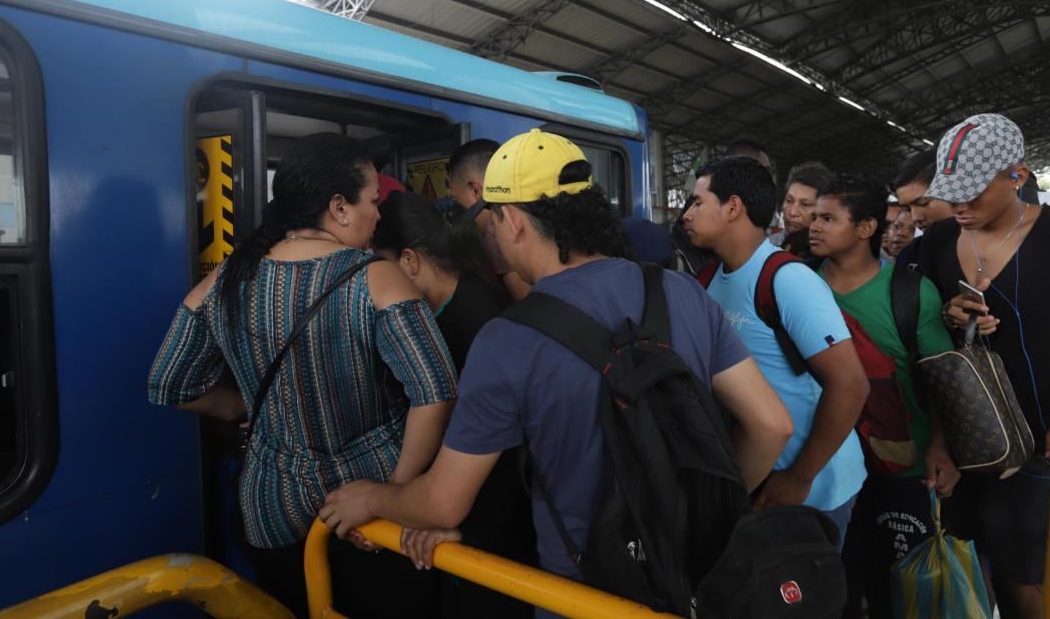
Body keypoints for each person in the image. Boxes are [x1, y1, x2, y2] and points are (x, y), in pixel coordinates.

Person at [319, 130, 793, 615]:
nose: (493, 238)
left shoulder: (507, 341)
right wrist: (705, 509)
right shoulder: (681, 290)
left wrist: (370, 498)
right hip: (696, 578)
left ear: (516, 222)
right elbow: (772, 425)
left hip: (582, 596)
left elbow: (443, 502)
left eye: (493, 224)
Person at [147, 133, 458, 619]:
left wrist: (240, 406)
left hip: (272, 505)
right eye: (372, 201)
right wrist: (396, 495)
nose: (379, 214)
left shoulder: (228, 277)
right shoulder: (375, 277)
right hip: (366, 502)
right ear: (338, 207)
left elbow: (169, 382)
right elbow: (435, 392)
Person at [920, 113, 1050, 619]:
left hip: (1043, 444)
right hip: (969, 441)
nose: (959, 205)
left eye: (973, 192)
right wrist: (949, 315)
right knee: (971, 565)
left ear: (1019, 176)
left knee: (1029, 579)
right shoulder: (939, 244)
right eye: (951, 192)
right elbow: (932, 345)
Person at [683, 156, 869, 546]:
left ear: (732, 207)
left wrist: (800, 476)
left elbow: (850, 385)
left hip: (813, 486)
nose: (687, 214)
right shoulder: (707, 281)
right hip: (757, 477)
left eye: (697, 202)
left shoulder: (787, 279)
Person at [370, 191, 534, 619]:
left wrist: (449, 521)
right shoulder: (445, 305)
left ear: (408, 261)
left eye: (376, 266)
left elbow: (500, 450)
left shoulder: (480, 324)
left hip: (496, 523)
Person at [806, 174, 959, 619]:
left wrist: (940, 446)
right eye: (814, 216)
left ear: (866, 228)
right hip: (825, 468)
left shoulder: (910, 294)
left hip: (901, 468)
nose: (814, 225)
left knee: (898, 588)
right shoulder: (797, 286)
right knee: (838, 588)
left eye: (828, 218)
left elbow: (942, 380)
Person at [446, 138, 531, 300]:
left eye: (457, 200)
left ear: (475, 190)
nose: (454, 210)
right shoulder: (525, 211)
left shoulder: (498, 228)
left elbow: (525, 301)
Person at [771, 161, 835, 258]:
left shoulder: (833, 255)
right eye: (789, 200)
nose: (793, 212)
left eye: (805, 204)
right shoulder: (768, 245)